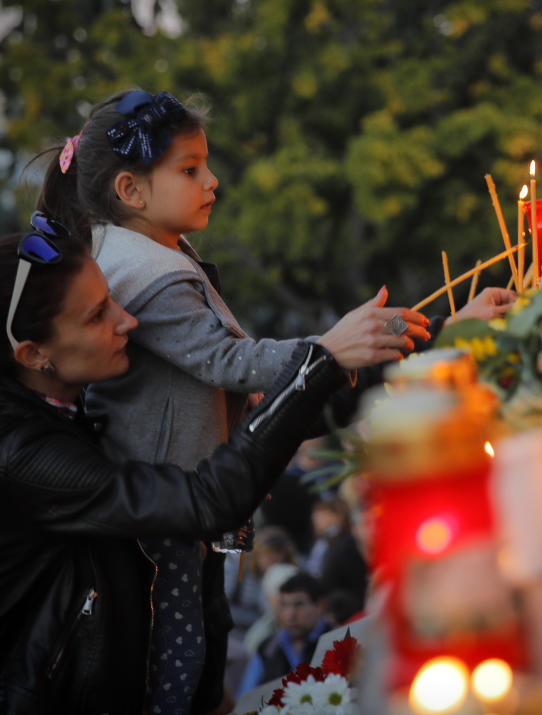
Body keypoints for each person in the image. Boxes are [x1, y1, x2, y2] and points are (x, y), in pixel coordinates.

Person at [34, 87, 515, 713]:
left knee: (201, 641)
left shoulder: (146, 257)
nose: (212, 180)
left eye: (206, 163)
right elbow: (233, 362)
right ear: (131, 191)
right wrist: (331, 347)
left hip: (174, 502)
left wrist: (414, 335)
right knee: (183, 661)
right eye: (189, 169)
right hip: (168, 509)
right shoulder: (153, 279)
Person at [0, 222, 412, 713]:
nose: (127, 321)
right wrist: (315, 361)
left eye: (113, 298)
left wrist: (421, 351)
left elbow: (250, 435)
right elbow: (206, 499)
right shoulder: (22, 453)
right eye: (96, 316)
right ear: (33, 353)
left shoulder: (80, 401)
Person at [236, 572, 330, 696]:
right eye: (284, 605)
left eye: (299, 604)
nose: (290, 614)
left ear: (320, 605)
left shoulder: (336, 642)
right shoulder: (267, 648)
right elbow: (245, 696)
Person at [305, 493, 369, 608]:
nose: (315, 518)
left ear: (337, 515)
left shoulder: (346, 543)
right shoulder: (323, 544)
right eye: (315, 514)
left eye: (321, 513)